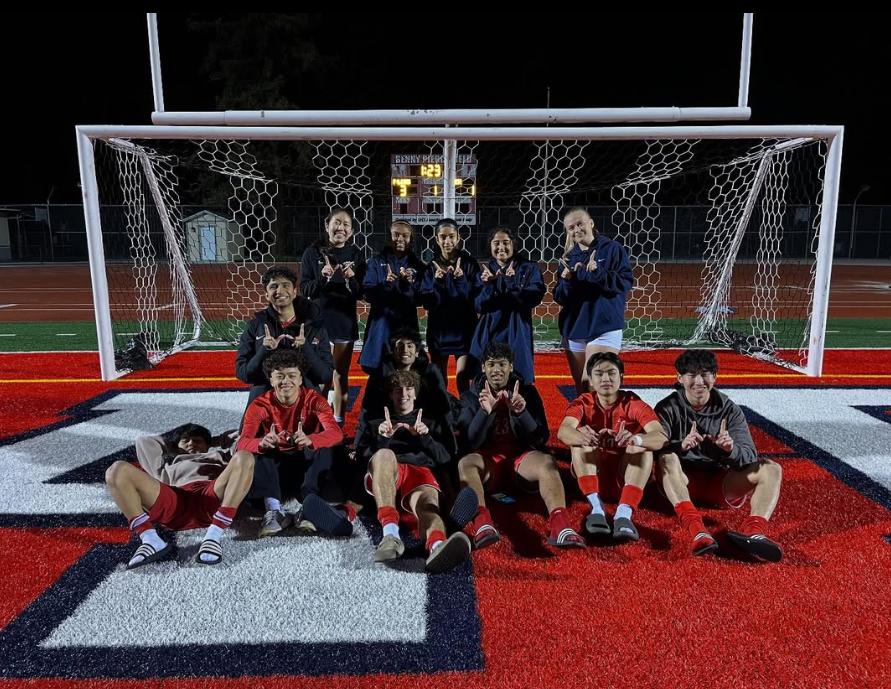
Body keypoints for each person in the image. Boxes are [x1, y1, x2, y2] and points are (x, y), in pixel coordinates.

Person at [655, 350, 784, 561]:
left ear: (715, 376)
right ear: (679, 378)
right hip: (683, 481)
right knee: (667, 458)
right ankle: (696, 529)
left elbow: (750, 456)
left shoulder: (730, 410)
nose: (699, 381)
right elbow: (653, 450)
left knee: (772, 468)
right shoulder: (666, 408)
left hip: (720, 483)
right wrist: (680, 446)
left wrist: (730, 449)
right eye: (691, 374)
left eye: (705, 374)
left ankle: (755, 532)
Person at [457, 342, 585, 550]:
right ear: (483, 368)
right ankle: (482, 523)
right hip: (488, 460)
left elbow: (541, 437)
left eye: (502, 364)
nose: (496, 370)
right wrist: (485, 413)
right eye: (491, 365)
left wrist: (521, 413)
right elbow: (468, 443)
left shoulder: (528, 393)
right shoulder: (470, 397)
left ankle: (561, 526)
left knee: (547, 462)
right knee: (465, 464)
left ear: (511, 366)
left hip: (521, 459)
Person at [105, 423, 254, 568]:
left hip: (211, 494)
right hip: (175, 498)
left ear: (208, 445)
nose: (191, 443)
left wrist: (216, 440)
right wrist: (173, 447)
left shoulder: (220, 456)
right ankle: (150, 539)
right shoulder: (164, 465)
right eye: (186, 440)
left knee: (245, 456)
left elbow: (243, 439)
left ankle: (214, 534)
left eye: (197, 441)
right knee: (116, 469)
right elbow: (143, 442)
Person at [557, 352, 666, 541]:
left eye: (611, 373)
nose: (605, 379)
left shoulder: (633, 404)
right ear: (590, 378)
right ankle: (596, 508)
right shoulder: (583, 402)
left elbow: (661, 436)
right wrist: (581, 436)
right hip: (593, 475)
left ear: (621, 376)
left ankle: (624, 514)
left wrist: (636, 439)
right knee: (580, 440)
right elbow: (564, 432)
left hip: (625, 478)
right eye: (599, 374)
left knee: (642, 447)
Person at [554, 207, 633, 394]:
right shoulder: (568, 257)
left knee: (591, 383)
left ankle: (602, 423)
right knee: (581, 388)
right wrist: (565, 281)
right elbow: (560, 298)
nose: (577, 229)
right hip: (575, 329)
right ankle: (586, 423)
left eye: (580, 223)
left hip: (604, 327)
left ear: (591, 223)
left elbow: (624, 283)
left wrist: (598, 272)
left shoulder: (612, 249)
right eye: (571, 227)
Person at [301, 207, 367, 425]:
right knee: (321, 376)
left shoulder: (356, 255)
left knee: (340, 375)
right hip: (318, 323)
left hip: (344, 322)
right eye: (337, 223)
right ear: (327, 225)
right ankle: (317, 420)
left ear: (352, 231)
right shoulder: (313, 253)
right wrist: (322, 276)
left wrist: (351, 279)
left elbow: (362, 293)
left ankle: (337, 421)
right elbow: (305, 290)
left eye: (346, 224)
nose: (341, 227)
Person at [469, 227, 545, 384]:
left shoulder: (528, 269)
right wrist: (489, 285)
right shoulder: (483, 272)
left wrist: (511, 284)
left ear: (513, 244)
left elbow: (534, 297)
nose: (501, 247)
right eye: (496, 243)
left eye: (506, 242)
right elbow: (478, 306)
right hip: (489, 331)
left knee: (519, 381)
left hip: (516, 330)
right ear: (490, 246)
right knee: (486, 382)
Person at [420, 218, 479, 393]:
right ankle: (443, 416)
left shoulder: (469, 264)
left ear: (458, 237)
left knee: (463, 378)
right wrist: (436, 283)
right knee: (439, 378)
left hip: (464, 329)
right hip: (440, 330)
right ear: (437, 239)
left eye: (451, 236)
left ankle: (465, 415)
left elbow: (475, 299)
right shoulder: (430, 268)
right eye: (443, 237)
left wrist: (461, 280)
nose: (447, 242)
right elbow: (427, 303)